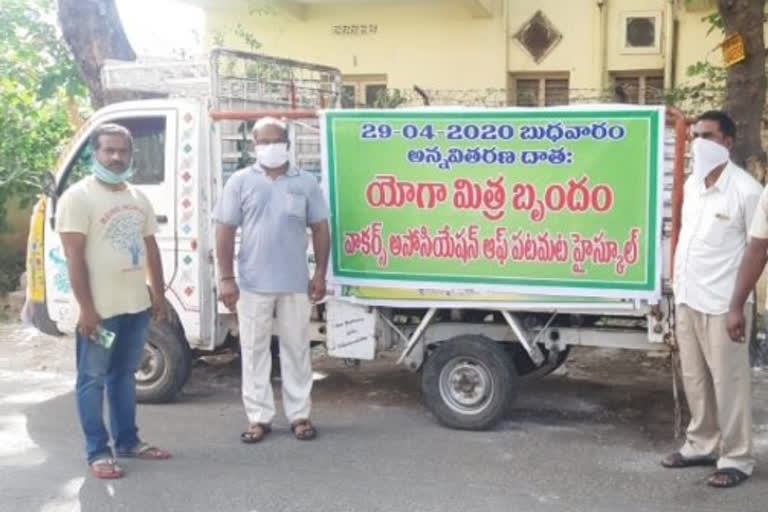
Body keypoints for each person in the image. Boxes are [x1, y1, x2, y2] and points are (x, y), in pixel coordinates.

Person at [56, 123, 171, 479]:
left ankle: (128, 441)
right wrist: (87, 310)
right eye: (109, 150)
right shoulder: (78, 197)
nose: (117, 157)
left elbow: (151, 247)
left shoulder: (137, 198)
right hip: (100, 315)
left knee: (123, 375)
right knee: (92, 379)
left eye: (123, 151)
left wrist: (159, 294)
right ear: (95, 153)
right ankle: (98, 451)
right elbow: (73, 256)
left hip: (135, 310)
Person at [214, 117, 330, 443]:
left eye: (275, 140)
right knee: (253, 352)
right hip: (251, 284)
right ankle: (258, 418)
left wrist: (320, 273)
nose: (269, 146)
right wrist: (226, 278)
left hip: (295, 282)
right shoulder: (239, 182)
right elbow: (224, 228)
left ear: (287, 144)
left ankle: (300, 415)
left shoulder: (305, 182)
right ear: (254, 146)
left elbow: (321, 228)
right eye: (263, 142)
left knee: (296, 351)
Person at [661, 111, 760, 488]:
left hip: (724, 306)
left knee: (729, 383)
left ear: (728, 142)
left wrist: (738, 306)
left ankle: (736, 457)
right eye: (695, 135)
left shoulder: (746, 191)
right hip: (689, 299)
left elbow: (757, 250)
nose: (699, 142)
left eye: (708, 136)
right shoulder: (695, 186)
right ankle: (701, 443)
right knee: (696, 380)